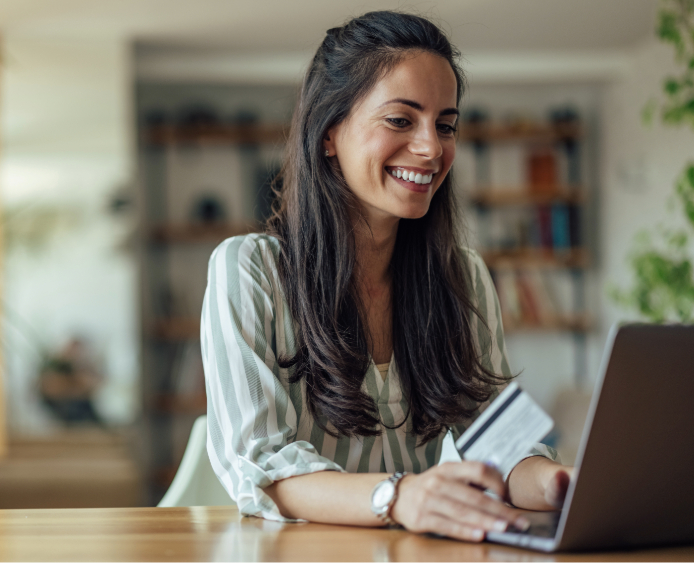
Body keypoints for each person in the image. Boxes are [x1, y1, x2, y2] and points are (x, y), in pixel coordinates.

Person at [200, 11, 572, 543]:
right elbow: (261, 463)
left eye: (445, 124)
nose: (432, 148)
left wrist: (567, 484)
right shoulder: (249, 269)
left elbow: (502, 443)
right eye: (401, 120)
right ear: (329, 133)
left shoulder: (462, 276)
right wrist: (399, 495)